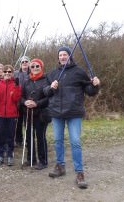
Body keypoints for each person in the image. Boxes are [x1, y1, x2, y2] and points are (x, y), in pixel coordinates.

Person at [44, 46, 100, 189]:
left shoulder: (79, 72)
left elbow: (90, 91)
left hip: (74, 113)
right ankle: (60, 166)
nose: (62, 57)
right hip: (57, 113)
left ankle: (79, 172)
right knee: (58, 140)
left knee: (75, 142)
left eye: (65, 55)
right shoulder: (53, 73)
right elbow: (45, 92)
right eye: (60, 55)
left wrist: (95, 85)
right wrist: (51, 87)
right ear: (58, 58)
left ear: (70, 56)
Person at [21, 58, 49, 170]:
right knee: (28, 136)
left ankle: (43, 161)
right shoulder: (26, 81)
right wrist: (25, 102)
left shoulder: (46, 80)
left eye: (37, 66)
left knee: (40, 136)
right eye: (32, 66)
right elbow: (21, 97)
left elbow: (49, 97)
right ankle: (30, 158)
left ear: (41, 67)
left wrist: (36, 103)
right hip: (28, 112)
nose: (35, 68)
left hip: (41, 113)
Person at [0, 64, 21, 166]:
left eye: (9, 72)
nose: (7, 74)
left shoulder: (15, 84)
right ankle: (0, 155)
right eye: (5, 72)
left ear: (12, 73)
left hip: (12, 114)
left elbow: (16, 99)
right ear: (2, 73)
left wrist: (17, 87)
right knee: (0, 135)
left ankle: (10, 155)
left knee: (10, 136)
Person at [14, 56, 31, 147]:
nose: (24, 63)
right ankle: (18, 140)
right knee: (18, 122)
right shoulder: (15, 73)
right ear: (20, 64)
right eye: (22, 62)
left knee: (27, 122)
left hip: (28, 101)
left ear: (29, 63)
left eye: (26, 61)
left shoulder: (32, 72)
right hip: (18, 101)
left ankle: (28, 140)